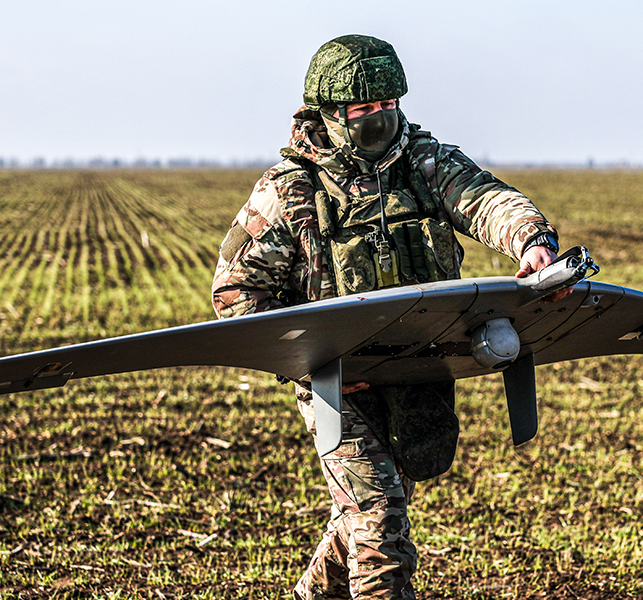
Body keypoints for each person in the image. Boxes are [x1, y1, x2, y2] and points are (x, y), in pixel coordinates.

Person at [212, 34, 564, 600]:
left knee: (359, 520)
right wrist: (308, 365)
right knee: (380, 522)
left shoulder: (425, 164)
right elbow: (235, 294)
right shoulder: (290, 190)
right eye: (362, 110)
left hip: (416, 370)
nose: (379, 118)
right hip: (335, 385)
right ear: (328, 112)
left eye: (387, 106)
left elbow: (487, 199)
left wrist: (531, 241)